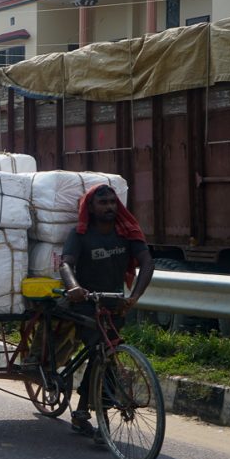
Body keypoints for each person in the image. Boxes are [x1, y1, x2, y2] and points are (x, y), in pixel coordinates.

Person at [61, 184, 154, 440]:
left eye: (113, 202)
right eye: (103, 203)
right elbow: (66, 263)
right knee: (103, 354)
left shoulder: (126, 233)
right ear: (90, 207)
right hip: (85, 304)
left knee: (105, 354)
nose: (110, 207)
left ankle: (81, 413)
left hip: (114, 303)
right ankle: (103, 424)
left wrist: (134, 296)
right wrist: (74, 287)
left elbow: (146, 262)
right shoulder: (80, 233)